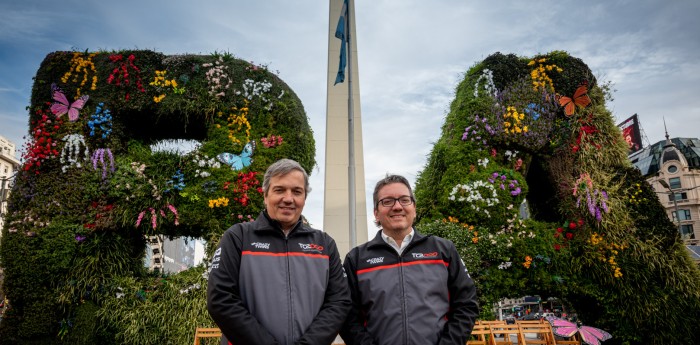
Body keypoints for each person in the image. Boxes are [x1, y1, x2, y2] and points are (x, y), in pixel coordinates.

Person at [207, 158, 351, 345]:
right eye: (279, 190)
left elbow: (339, 302)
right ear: (265, 195)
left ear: (304, 199)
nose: (288, 198)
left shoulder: (324, 244)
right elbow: (221, 299)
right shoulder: (238, 237)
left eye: (297, 192)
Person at [340, 174, 479, 345]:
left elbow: (466, 305)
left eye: (404, 200)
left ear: (414, 208)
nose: (397, 206)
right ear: (376, 213)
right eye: (387, 201)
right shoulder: (356, 259)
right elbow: (348, 317)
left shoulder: (443, 250)